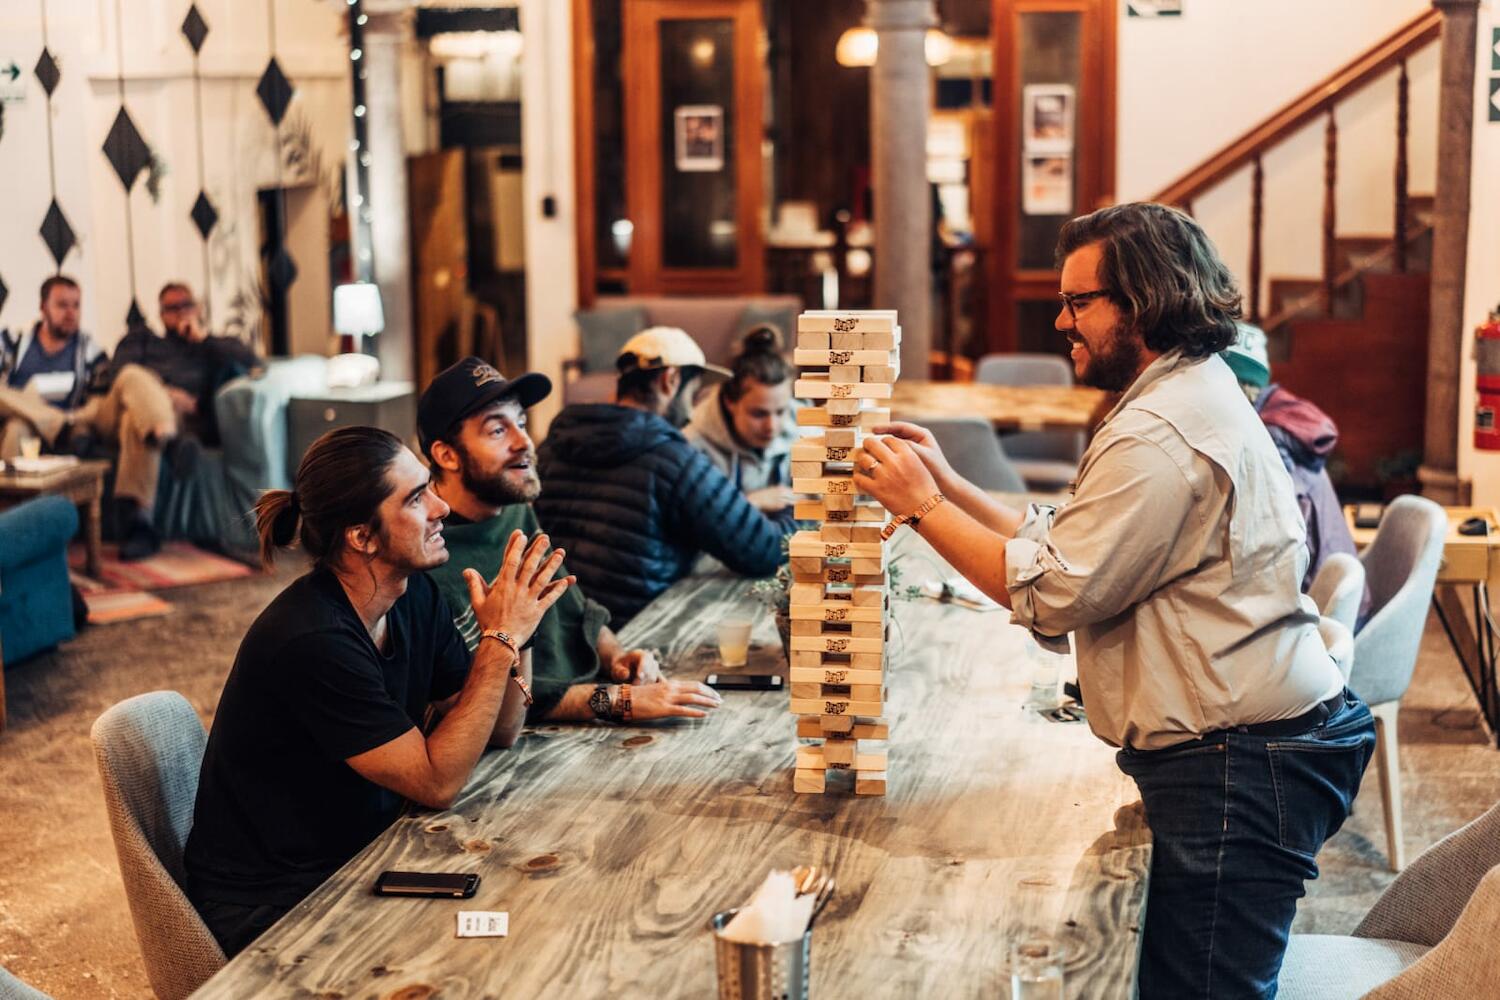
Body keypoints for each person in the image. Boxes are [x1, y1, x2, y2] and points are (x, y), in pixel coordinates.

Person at [851, 203, 1376, 998]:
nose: (1061, 321)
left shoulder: (1160, 430)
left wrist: (923, 508)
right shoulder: (1188, 390)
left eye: (1078, 302)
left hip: (1241, 767)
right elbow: (1071, 541)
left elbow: (1053, 592)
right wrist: (950, 484)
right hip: (1255, 747)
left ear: (1144, 300)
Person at [184, 426, 571, 957]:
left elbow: (497, 731)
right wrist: (498, 642)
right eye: (416, 498)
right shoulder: (312, 639)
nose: (441, 508)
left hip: (366, 855)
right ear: (362, 537)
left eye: (430, 486)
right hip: (278, 906)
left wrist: (515, 633)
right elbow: (437, 781)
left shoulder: (413, 597)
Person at [419, 356, 723, 723]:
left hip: (581, 700)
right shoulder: (425, 550)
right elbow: (481, 703)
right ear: (447, 455)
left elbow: (574, 607)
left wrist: (618, 657)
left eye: (521, 423)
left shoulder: (512, 506)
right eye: (497, 431)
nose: (524, 442)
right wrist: (616, 700)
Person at [535, 326, 785, 623]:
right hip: (636, 633)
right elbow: (763, 550)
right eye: (693, 394)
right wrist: (804, 510)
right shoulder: (674, 458)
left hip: (557, 626)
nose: (692, 411)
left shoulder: (552, 445)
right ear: (671, 380)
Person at [0, 275, 182, 559]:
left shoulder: (90, 350)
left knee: (131, 379)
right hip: (28, 423)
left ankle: (162, 438)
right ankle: (12, 532)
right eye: (62, 305)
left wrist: (76, 420)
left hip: (80, 421)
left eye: (76, 305)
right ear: (43, 308)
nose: (71, 313)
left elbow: (103, 395)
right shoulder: (14, 342)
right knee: (14, 424)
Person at [1223, 323, 1370, 619]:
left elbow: (1274, 566)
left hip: (1329, 624)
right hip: (1340, 605)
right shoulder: (1282, 420)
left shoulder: (1272, 449)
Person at [110, 282, 261, 448]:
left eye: (187, 305)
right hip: (148, 407)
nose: (181, 312)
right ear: (162, 315)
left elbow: (252, 364)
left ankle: (165, 436)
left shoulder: (215, 346)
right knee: (131, 375)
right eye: (173, 308)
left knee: (131, 427)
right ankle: (167, 434)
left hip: (189, 418)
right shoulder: (145, 342)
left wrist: (203, 339)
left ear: (197, 309)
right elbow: (119, 378)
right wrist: (164, 394)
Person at [685, 325, 798, 527]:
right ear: (730, 402)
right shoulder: (692, 447)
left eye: (781, 412)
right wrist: (750, 502)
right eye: (758, 414)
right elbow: (691, 526)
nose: (772, 426)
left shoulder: (806, 429)